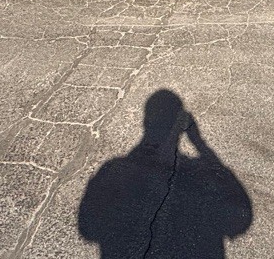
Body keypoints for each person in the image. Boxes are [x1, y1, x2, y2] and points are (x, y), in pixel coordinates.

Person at [78, 90, 253, 258]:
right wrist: (199, 144)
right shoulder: (114, 170)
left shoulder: (111, 169)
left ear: (146, 120)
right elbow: (239, 223)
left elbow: (87, 229)